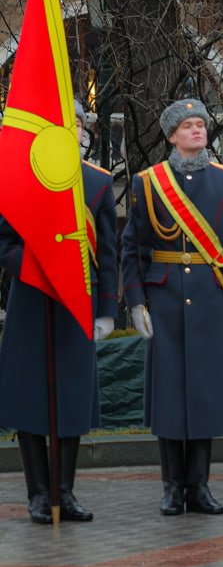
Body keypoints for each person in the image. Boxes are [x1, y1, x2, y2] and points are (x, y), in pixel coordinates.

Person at [122, 98, 223, 515]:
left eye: (201, 124)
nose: (198, 130)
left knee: (206, 395)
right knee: (170, 396)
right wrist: (136, 301)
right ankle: (171, 487)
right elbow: (134, 248)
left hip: (212, 300)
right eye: (189, 126)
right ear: (172, 135)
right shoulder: (148, 182)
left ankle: (199, 486)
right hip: (164, 299)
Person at [0, 101, 118, 524]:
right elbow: (5, 243)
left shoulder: (98, 183)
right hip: (31, 300)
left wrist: (107, 311)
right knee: (30, 398)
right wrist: (36, 269)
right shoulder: (20, 181)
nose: (73, 130)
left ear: (84, 132)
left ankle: (64, 492)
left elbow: (108, 253)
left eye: (78, 124)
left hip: (77, 304)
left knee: (70, 398)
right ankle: (37, 494)